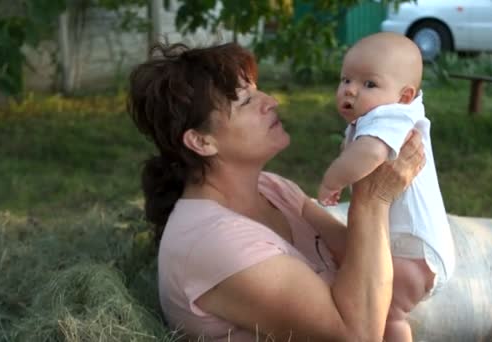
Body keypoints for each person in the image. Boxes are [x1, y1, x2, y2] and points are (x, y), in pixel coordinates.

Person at [127, 41, 426, 341]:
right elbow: (357, 335)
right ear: (202, 142)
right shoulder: (214, 242)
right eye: (245, 101)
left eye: (258, 90)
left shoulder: (272, 188)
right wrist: (372, 198)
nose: (271, 101)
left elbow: (365, 265)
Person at [317, 32, 455, 342]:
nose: (350, 91)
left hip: (415, 254)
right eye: (345, 80)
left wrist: (332, 179)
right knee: (386, 312)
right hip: (414, 250)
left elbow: (371, 154)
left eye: (369, 84)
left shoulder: (391, 115)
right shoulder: (386, 111)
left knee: (389, 314)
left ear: (405, 96)